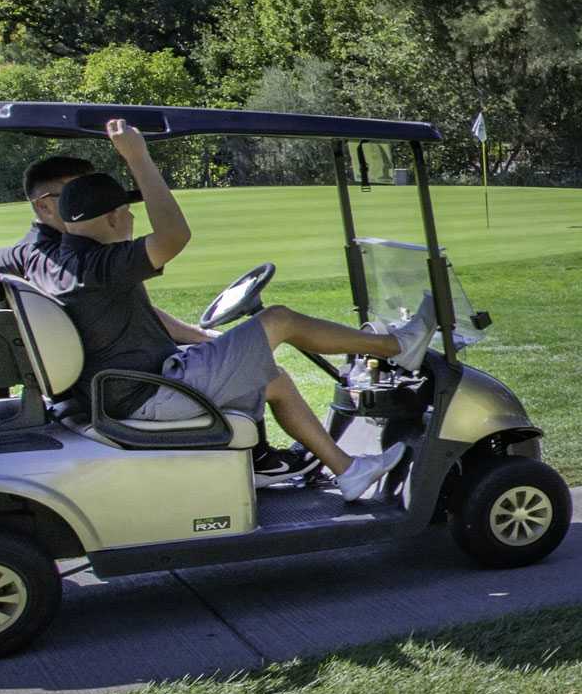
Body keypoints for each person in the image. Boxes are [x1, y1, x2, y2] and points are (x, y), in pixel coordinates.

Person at [23, 120, 432, 502]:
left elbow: (140, 313)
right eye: (128, 212)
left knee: (271, 376)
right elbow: (174, 235)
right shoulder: (101, 266)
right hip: (146, 396)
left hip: (130, 387)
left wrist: (205, 339)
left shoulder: (52, 259)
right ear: (112, 217)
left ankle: (346, 470)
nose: (133, 217)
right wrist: (138, 158)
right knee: (280, 319)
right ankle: (396, 346)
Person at [0, 155, 319, 486]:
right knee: (266, 358)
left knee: (242, 363)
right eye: (75, 192)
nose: (90, 197)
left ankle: (259, 457)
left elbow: (133, 313)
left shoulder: (36, 254)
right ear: (44, 207)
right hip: (132, 386)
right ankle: (263, 458)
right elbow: (172, 237)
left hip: (111, 380)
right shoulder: (78, 261)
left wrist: (199, 335)